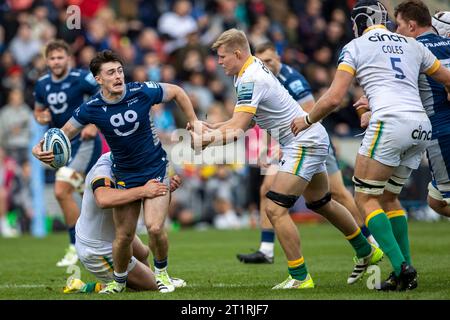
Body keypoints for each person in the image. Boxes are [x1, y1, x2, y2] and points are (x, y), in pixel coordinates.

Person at [191, 28, 382, 289]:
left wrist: (207, 140)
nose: (219, 62)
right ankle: (367, 250)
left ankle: (300, 276)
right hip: (309, 138)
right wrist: (213, 127)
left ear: (237, 53)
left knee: (274, 208)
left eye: (222, 56)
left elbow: (236, 129)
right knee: (321, 202)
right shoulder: (248, 69)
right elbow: (244, 122)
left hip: (302, 142)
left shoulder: (250, 77)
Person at [290, 0, 450, 291]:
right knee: (389, 197)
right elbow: (446, 78)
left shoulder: (356, 46)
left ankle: (402, 268)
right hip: (421, 127)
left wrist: (307, 118)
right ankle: (404, 269)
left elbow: (334, 97)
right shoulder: (410, 44)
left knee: (365, 198)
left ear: (360, 22)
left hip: (390, 123)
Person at [32, 50, 202, 294]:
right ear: (98, 79)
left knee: (154, 228)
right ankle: (119, 282)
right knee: (124, 236)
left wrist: (194, 121)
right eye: (110, 72)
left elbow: (176, 91)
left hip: (155, 166)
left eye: (120, 70)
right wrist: (39, 149)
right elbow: (63, 133)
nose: (118, 76)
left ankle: (162, 273)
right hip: (124, 173)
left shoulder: (140, 91)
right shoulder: (91, 108)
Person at [236, 42, 378, 268]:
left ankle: (369, 241)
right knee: (314, 200)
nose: (266, 64)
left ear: (279, 58)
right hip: (292, 142)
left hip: (304, 141)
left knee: (335, 195)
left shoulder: (292, 80)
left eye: (270, 60)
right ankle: (266, 248)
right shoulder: (261, 77)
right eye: (262, 61)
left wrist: (288, 147)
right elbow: (262, 117)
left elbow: (312, 111)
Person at [63, 152, 185, 294]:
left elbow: (151, 203)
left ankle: (150, 276)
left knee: (143, 252)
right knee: (153, 287)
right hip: (96, 249)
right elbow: (103, 199)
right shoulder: (104, 167)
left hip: (112, 232)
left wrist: (165, 188)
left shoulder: (136, 161)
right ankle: (87, 287)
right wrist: (144, 190)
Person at [34, 40, 102, 267]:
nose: (56, 62)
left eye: (60, 57)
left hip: (83, 141)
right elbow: (39, 111)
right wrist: (41, 117)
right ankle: (99, 241)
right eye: (52, 58)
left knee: (61, 190)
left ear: (68, 58)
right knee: (90, 195)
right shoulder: (42, 84)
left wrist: (94, 124)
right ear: (47, 61)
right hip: (61, 145)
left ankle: (76, 247)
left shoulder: (82, 78)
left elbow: (103, 95)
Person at [394, 1, 450, 218]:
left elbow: (400, 89)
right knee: (434, 199)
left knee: (443, 196)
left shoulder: (412, 50)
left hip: (440, 133)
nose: (396, 31)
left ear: (411, 25)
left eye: (398, 25)